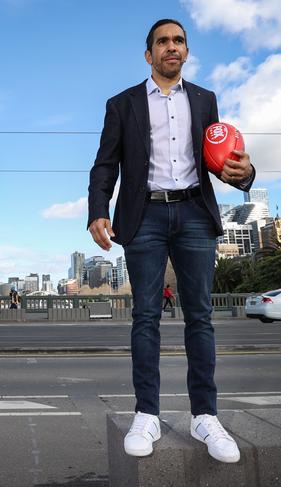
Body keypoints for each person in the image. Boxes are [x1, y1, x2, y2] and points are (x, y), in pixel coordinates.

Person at [87, 19, 254, 463]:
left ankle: (205, 416)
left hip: (196, 213)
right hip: (144, 217)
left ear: (186, 50)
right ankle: (147, 413)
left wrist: (245, 173)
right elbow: (105, 165)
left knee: (200, 316)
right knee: (146, 316)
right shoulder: (122, 104)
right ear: (149, 54)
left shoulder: (204, 99)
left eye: (179, 40)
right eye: (163, 41)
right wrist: (97, 210)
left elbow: (221, 158)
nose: (171, 47)